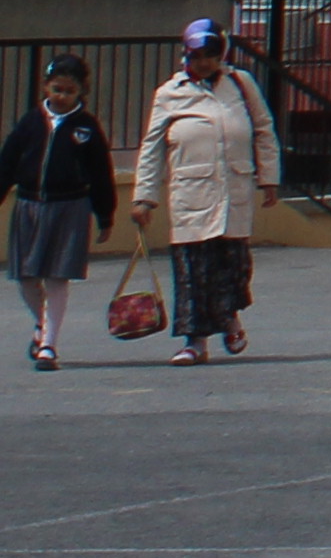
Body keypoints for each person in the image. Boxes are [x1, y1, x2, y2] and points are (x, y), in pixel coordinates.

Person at [131, 21, 277, 368]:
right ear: (186, 54)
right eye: (198, 56)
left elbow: (263, 129)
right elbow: (152, 147)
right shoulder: (170, 93)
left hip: (233, 189)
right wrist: (144, 197)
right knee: (193, 272)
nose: (205, 63)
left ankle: (229, 318)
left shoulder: (240, 84)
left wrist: (269, 178)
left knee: (233, 268)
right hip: (191, 194)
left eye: (212, 55)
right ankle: (194, 343)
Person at [3, 59, 115, 372]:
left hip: (70, 207)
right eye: (57, 89)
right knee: (26, 276)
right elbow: (7, 162)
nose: (62, 96)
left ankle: (49, 344)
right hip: (30, 205)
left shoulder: (86, 127)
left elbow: (101, 174)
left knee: (57, 275)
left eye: (69, 91)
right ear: (45, 87)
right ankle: (41, 322)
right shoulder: (31, 122)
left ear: (81, 92)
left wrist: (105, 215)